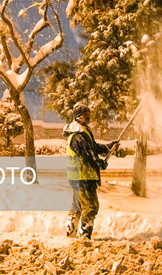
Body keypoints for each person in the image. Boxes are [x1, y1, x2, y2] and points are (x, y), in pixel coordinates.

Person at [63, 102, 119, 239]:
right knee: (91, 206)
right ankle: (84, 235)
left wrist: (107, 147)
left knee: (77, 205)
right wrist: (99, 163)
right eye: (84, 114)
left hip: (79, 176)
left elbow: (93, 147)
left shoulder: (82, 131)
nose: (88, 117)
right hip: (83, 175)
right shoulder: (77, 135)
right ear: (77, 116)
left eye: (88, 114)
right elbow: (87, 155)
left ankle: (71, 231)